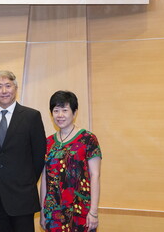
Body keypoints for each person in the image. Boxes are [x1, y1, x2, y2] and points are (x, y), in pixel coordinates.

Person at [0, 70, 46, 232]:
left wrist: (25, 181)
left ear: (15, 88)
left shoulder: (31, 116)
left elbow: (38, 156)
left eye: (8, 86)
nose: (4, 91)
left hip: (22, 196)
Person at [40, 90, 102, 232]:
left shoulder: (88, 139)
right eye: (56, 110)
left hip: (80, 209)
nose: (60, 115)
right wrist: (43, 211)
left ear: (74, 113)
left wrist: (93, 211)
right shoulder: (48, 142)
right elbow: (45, 178)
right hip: (53, 212)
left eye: (65, 110)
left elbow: (95, 175)